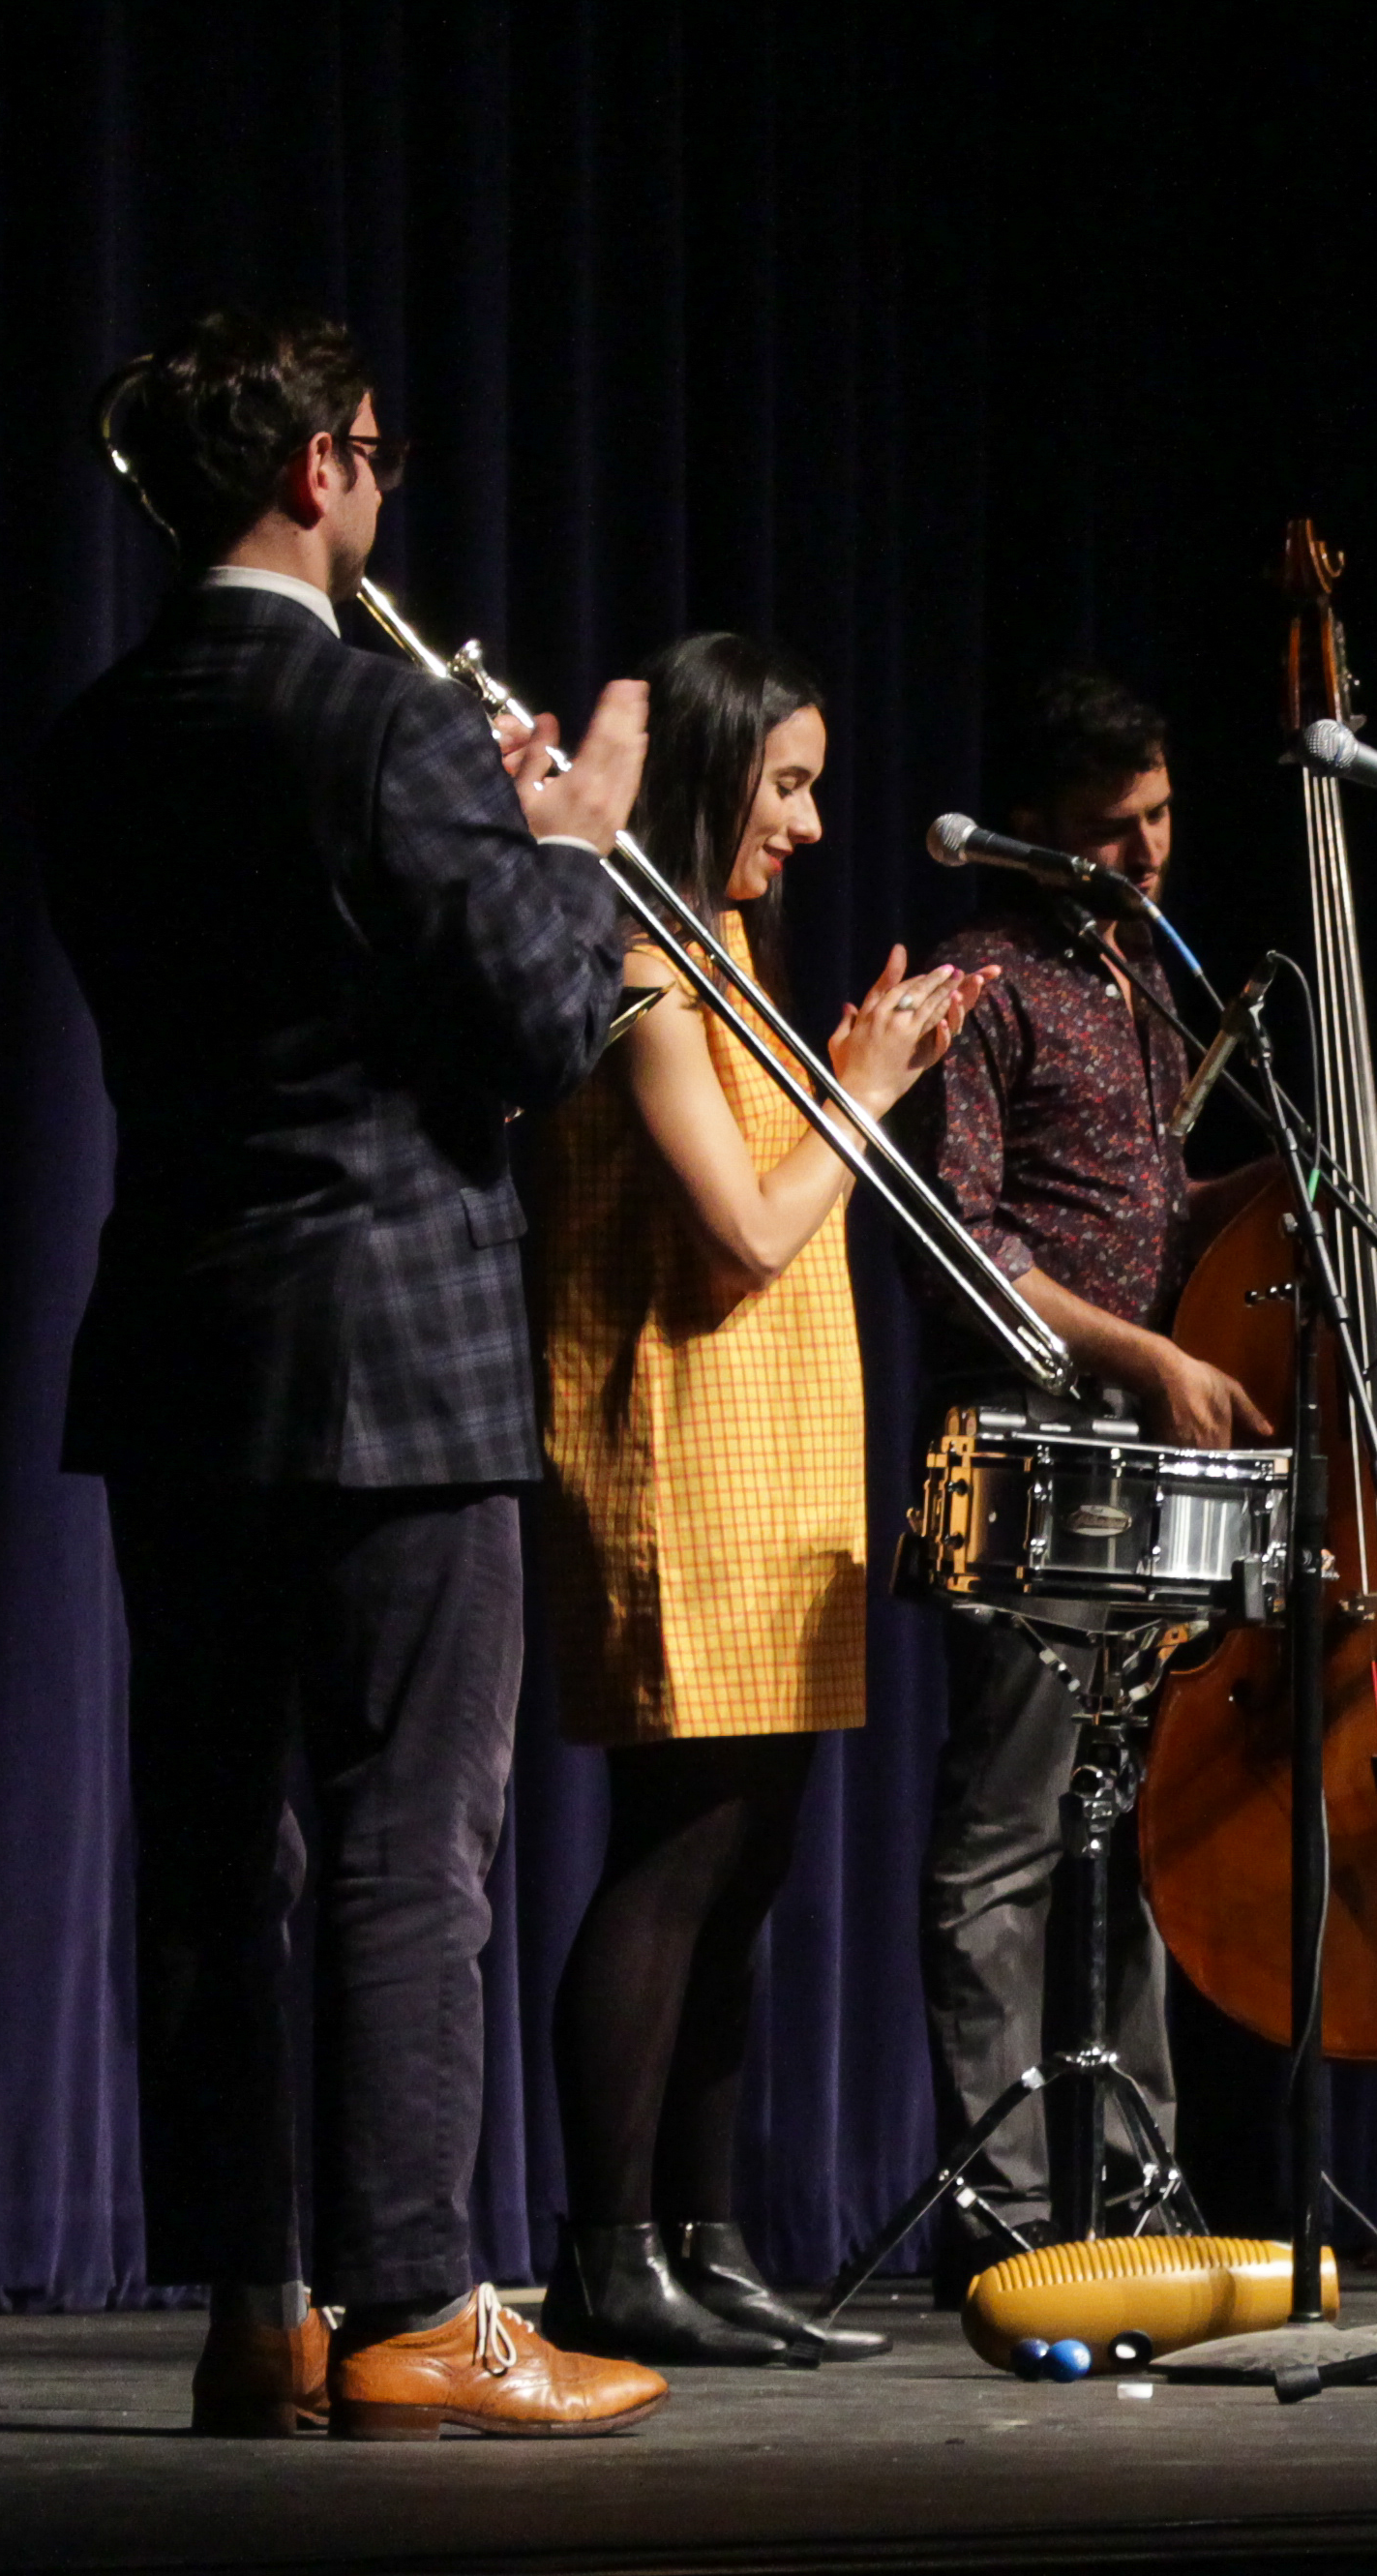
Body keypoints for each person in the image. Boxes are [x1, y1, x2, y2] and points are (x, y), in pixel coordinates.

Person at [38, 309, 667, 2440]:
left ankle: (258, 2310)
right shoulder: (385, 722)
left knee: (219, 1843)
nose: (384, 493)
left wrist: (470, 855)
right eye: (375, 456)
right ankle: (417, 2304)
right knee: (416, 1833)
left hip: (185, 1343)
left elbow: (268, 999)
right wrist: (565, 845)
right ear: (316, 470)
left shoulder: (101, 730)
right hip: (394, 1346)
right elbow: (534, 1035)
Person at [523, 632, 978, 2368]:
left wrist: (849, 1070)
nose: (802, 822)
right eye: (781, 785)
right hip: (675, 1451)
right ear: (710, 778)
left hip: (774, 1456)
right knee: (678, 1848)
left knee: (755, 1857)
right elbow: (741, 1237)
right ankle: (605, 2251)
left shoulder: (723, 955)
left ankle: (704, 2241)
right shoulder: (639, 966)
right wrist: (865, 1093)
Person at [913, 671, 1272, 2283]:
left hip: (1138, 1443)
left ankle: (1127, 2195)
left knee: (1118, 1821)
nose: (1143, 855)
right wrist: (1146, 1356)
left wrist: (1282, 1179)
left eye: (1161, 820)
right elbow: (971, 1244)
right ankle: (999, 2208)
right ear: (1037, 835)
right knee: (1006, 1829)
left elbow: (1149, 1214)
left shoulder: (1137, 986)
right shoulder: (979, 985)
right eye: (1108, 831)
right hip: (1025, 1430)